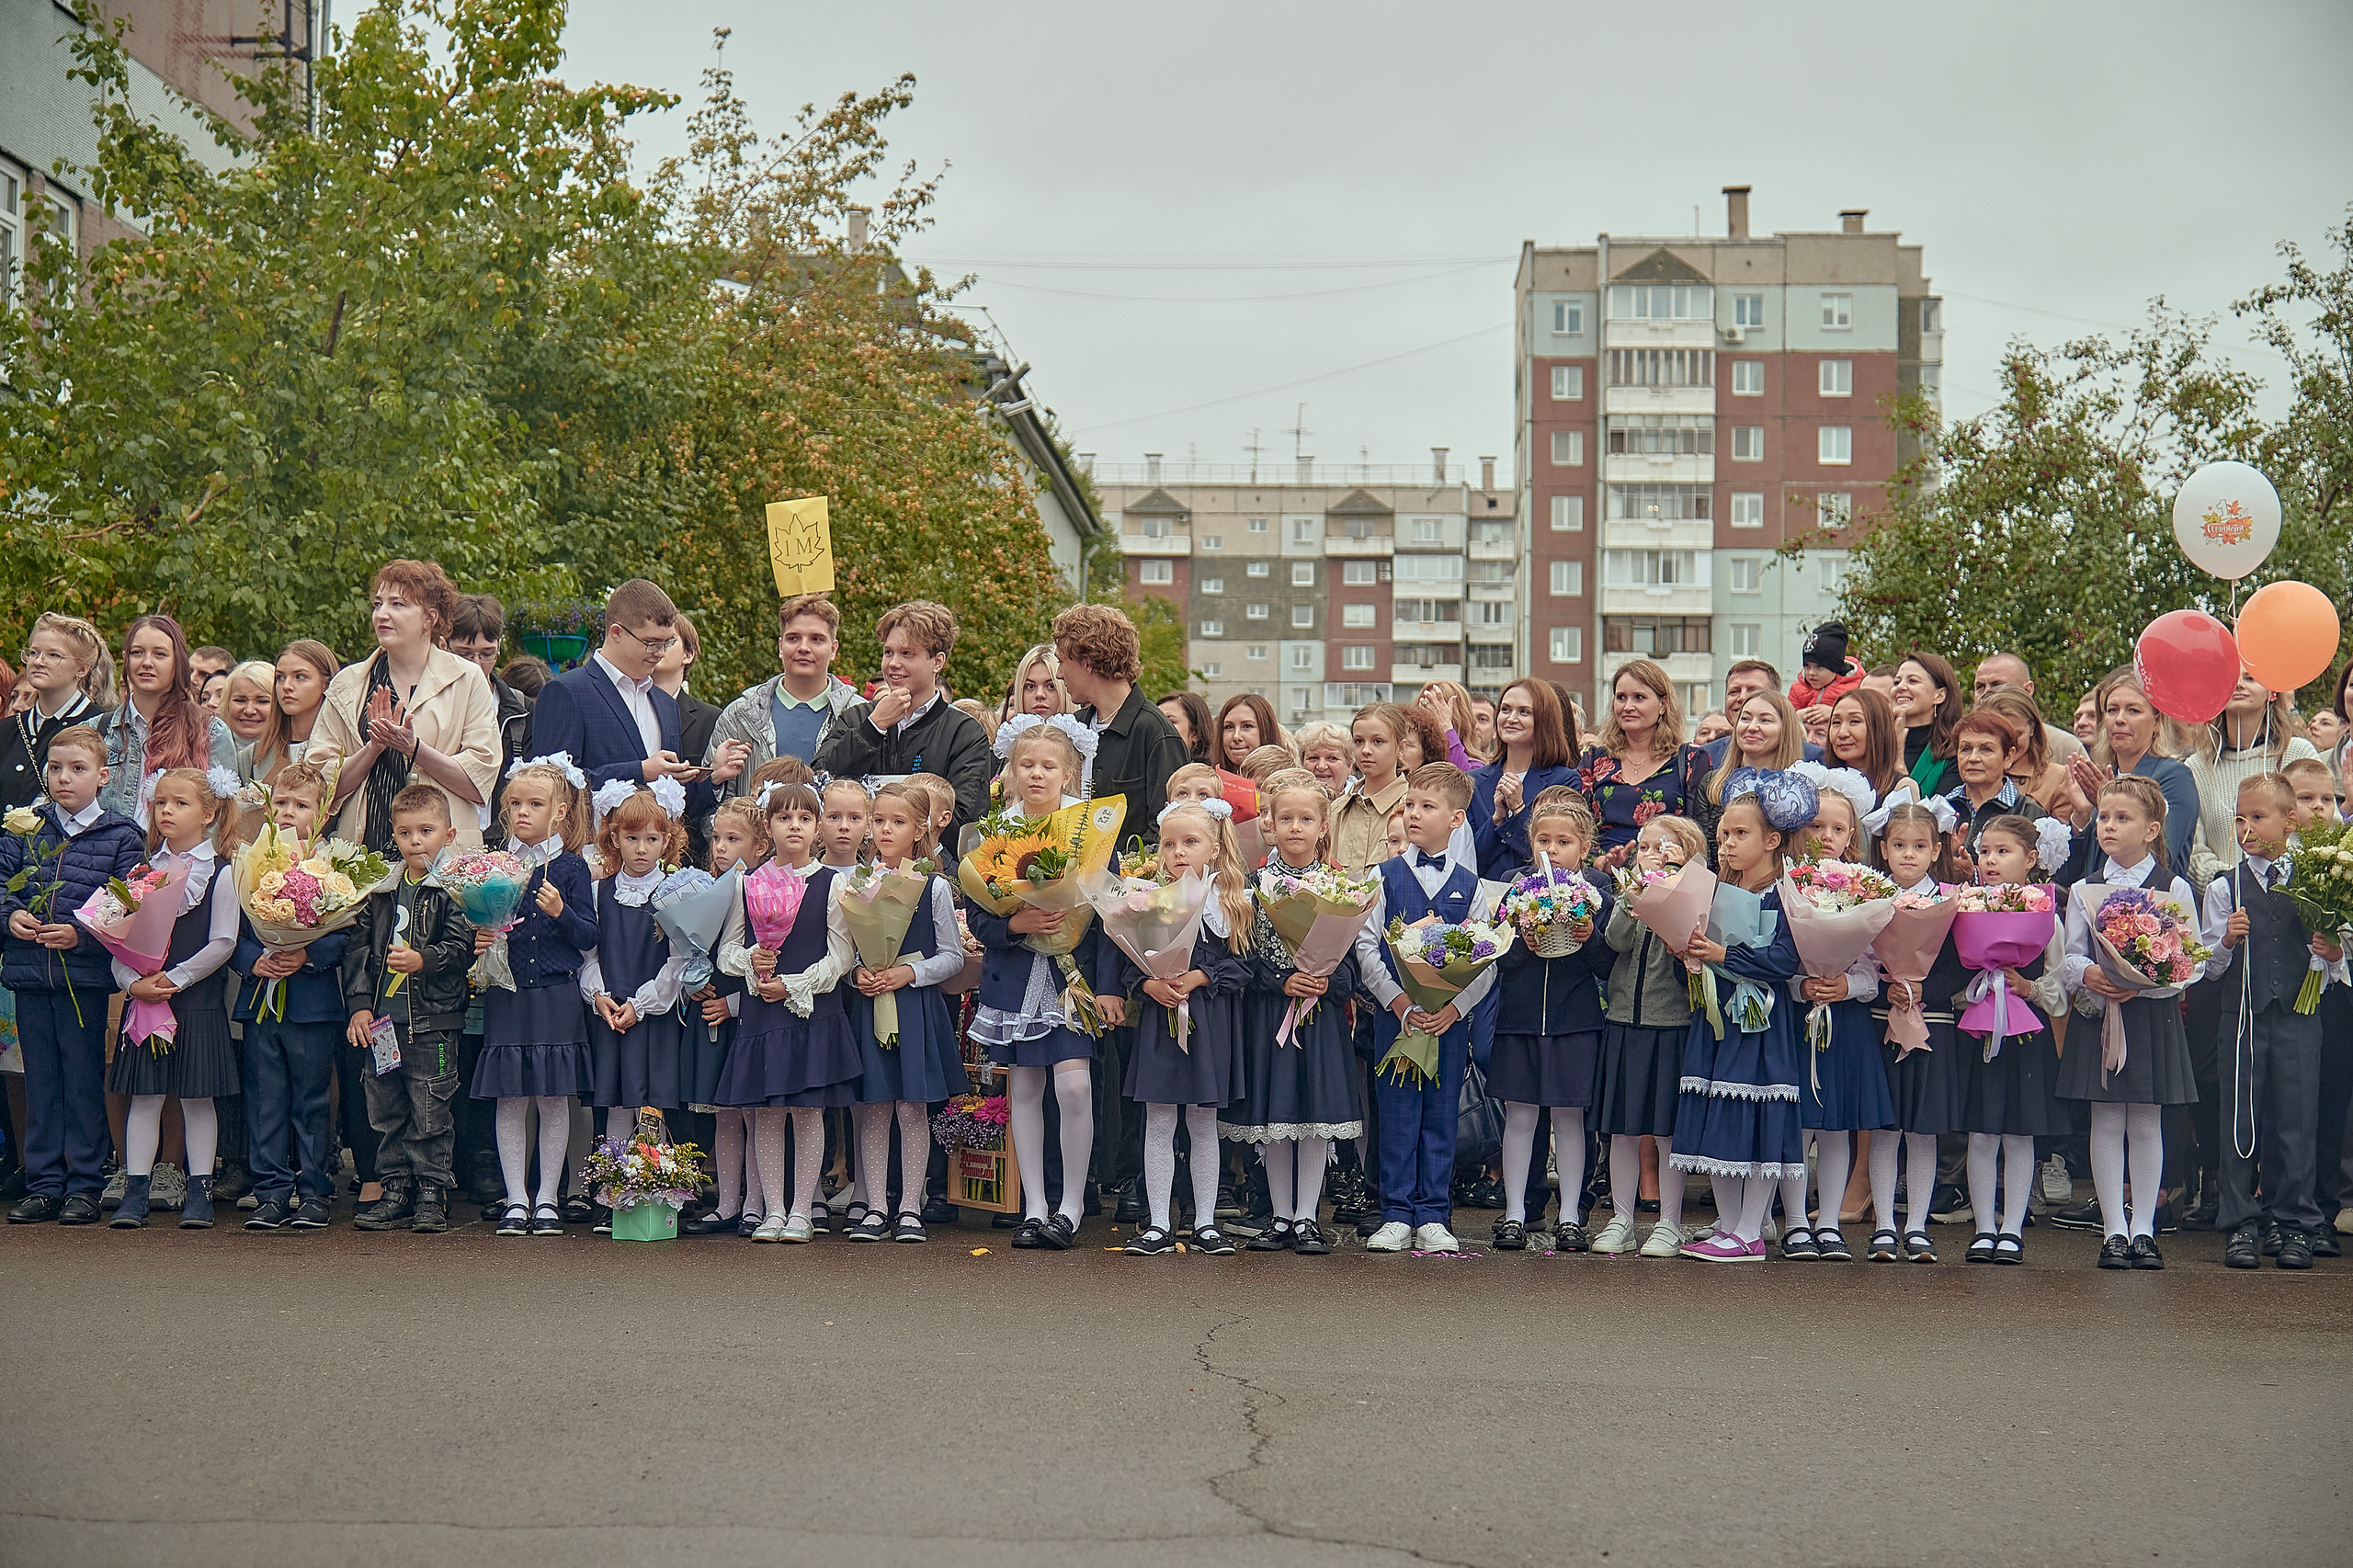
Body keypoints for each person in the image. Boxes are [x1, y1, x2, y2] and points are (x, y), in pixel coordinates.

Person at [1351, 763, 1497, 1255]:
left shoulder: (1472, 887)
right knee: (1395, 1115)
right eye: (1409, 804)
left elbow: (1486, 959)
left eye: (1427, 806)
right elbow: (1366, 947)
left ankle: (1434, 1213)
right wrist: (1396, 1001)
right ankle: (1395, 1212)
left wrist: (1453, 1009)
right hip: (1397, 1022)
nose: (1413, 813)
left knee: (1440, 1116)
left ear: (1457, 820)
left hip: (1446, 1024)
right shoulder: (1383, 876)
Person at [0, 727, 144, 1226]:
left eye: (78, 769)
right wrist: (10, 917)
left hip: (83, 980)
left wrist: (81, 937)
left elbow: (129, 902)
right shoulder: (24, 828)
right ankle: (43, 1183)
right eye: (56, 769)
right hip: (31, 977)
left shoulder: (122, 835)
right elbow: (3, 886)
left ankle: (84, 1182)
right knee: (40, 1080)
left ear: (103, 777)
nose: (65, 778)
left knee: (83, 1079)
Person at [967, 716, 1100, 1249]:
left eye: (1048, 766)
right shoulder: (997, 829)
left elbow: (1109, 912)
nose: (1037, 774)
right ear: (1012, 771)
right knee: (1023, 1086)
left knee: (1074, 1086)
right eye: (1027, 765)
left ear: (1068, 773)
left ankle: (1071, 1205)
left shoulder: (1088, 828)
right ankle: (1034, 1206)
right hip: (1017, 976)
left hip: (1070, 978)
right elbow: (979, 912)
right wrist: (1012, 925)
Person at [1665, 774, 1809, 1262]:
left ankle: (1751, 1231)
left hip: (1763, 1026)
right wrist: (1691, 954)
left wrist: (1725, 953)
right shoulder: (1713, 888)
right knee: (1719, 1115)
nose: (1727, 844)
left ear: (1772, 840)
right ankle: (1727, 1225)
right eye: (1723, 834)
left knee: (1758, 1117)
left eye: (1740, 835)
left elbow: (1787, 961)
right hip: (1717, 1020)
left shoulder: (1786, 893)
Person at [2060, 775, 2200, 1270]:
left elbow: (2192, 960)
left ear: (2151, 829)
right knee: (2105, 1117)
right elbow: (2068, 957)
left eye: (2123, 818)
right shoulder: (2083, 889)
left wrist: (2146, 982)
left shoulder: (2173, 885)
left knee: (2145, 1119)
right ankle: (2113, 1231)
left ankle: (2144, 1228)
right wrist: (2093, 974)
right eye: (2103, 817)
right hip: (2101, 1014)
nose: (2109, 827)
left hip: (2149, 1016)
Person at [1100, 799, 1252, 1257]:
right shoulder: (1145, 900)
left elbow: (1245, 965)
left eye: (1190, 842)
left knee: (1204, 1122)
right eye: (1169, 844)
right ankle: (1159, 1222)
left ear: (1215, 847)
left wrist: (1202, 976)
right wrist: (1149, 983)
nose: (1179, 852)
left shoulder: (1229, 903)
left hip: (1207, 1022)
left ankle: (1205, 1222)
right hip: (1161, 1025)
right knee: (1160, 1119)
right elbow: (1130, 962)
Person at [1224, 769, 1363, 1256]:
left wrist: (1326, 981)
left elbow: (1352, 962)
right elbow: (1240, 958)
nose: (1296, 827)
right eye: (1286, 818)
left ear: (1324, 825)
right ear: (1269, 823)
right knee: (1275, 1118)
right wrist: (1278, 980)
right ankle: (1281, 1217)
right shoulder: (1254, 886)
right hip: (1270, 1013)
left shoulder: (1339, 886)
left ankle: (1308, 1217)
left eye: (1306, 818)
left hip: (1319, 1017)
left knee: (1312, 1117)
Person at [714, 782, 861, 1241]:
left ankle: (802, 1209)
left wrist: (793, 985)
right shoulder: (748, 882)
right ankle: (773, 1210)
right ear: (769, 826)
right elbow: (726, 952)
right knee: (768, 1114)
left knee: (808, 1111)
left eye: (804, 818)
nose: (793, 826)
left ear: (817, 828)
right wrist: (751, 962)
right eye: (783, 817)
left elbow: (842, 957)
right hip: (763, 1016)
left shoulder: (834, 882)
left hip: (811, 1012)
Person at [2205, 774, 2340, 1270]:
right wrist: (2226, 940)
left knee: (2297, 1121)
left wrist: (2333, 952)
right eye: (2239, 818)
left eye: (2258, 818)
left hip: (2300, 1016)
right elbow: (2207, 968)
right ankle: (2241, 1221)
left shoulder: (2316, 880)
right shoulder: (2225, 886)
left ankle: (2295, 1223)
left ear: (2289, 822)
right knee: (2241, 1118)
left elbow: (2334, 963)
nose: (2246, 829)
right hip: (2242, 1016)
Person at [101, 767, 241, 1230]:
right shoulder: (142, 871)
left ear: (209, 813)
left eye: (180, 804)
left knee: (198, 1099)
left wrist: (175, 980)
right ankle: (135, 1189)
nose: (166, 811)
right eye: (160, 802)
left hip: (193, 1000)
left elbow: (223, 941)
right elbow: (116, 939)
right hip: (147, 1001)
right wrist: (130, 983)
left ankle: (199, 1190)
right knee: (145, 1096)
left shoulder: (220, 872)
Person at [471, 756, 597, 1238]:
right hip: (508, 994)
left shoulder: (570, 868)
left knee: (551, 1096)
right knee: (510, 1097)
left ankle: (548, 1197)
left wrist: (562, 911)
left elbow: (587, 936)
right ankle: (516, 1197)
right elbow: (478, 923)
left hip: (555, 994)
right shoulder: (495, 865)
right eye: (516, 804)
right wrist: (480, 936)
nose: (523, 812)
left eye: (536, 804)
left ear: (560, 811)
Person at [339, 781, 473, 1235]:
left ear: (448, 836)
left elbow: (462, 946)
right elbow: (357, 950)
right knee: (386, 1108)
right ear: (393, 837)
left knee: (430, 1108)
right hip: (382, 1024)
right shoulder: (381, 890)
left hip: (431, 1023)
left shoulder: (455, 890)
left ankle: (431, 1193)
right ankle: (394, 1190)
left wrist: (425, 959)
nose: (415, 841)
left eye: (426, 831)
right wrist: (359, 1006)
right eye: (405, 833)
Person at [229, 759, 352, 1233]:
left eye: (300, 805)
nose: (287, 812)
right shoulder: (248, 862)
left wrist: (308, 956)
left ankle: (315, 1189)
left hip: (311, 1004)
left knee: (311, 1100)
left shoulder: (332, 866)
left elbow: (346, 933)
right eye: (280, 802)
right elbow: (232, 931)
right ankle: (271, 1191)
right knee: (265, 1099)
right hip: (262, 998)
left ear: (321, 813)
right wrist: (251, 960)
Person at [1486, 794, 1611, 1252]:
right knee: (1519, 1116)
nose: (1552, 849)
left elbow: (1606, 963)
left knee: (1570, 1119)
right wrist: (1524, 937)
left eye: (1564, 841)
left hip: (1575, 1020)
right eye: (1544, 839)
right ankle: (1516, 1212)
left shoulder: (1598, 887)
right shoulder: (1513, 884)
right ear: (1530, 843)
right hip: (1519, 1019)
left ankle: (1572, 1215)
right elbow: (1500, 957)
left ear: (1584, 846)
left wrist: (1587, 936)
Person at [842, 780, 965, 1244]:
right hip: (871, 1004)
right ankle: (875, 1206)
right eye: (879, 821)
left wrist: (909, 975)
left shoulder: (932, 886)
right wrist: (858, 973)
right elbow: (844, 947)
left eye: (898, 822)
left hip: (914, 1007)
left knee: (913, 1107)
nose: (886, 829)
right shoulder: (854, 882)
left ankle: (910, 1205)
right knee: (874, 1108)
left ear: (919, 830)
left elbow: (952, 956)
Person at [529, 579, 747, 831]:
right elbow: (549, 790)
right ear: (616, 633)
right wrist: (640, 771)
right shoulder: (566, 691)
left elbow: (672, 804)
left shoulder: (665, 704)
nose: (661, 653)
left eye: (666, 643)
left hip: (657, 863)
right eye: (651, 642)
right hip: (590, 858)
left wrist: (715, 775)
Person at [313, 562, 502, 851]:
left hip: (444, 861)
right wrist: (373, 748)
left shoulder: (467, 678)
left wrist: (414, 748)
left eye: (398, 604)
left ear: (429, 617)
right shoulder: (348, 684)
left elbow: (479, 784)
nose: (382, 614)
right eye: (378, 604)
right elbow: (319, 787)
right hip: (362, 858)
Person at [1787, 784, 1894, 1264]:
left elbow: (1877, 964)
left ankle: (1827, 1222)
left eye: (1836, 828)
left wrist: (1847, 987)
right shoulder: (1787, 883)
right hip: (1796, 1019)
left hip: (1845, 1021)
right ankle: (1793, 1222)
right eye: (1816, 825)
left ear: (1852, 834)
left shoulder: (1865, 887)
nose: (1825, 836)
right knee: (1797, 1126)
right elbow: (1774, 953)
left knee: (1835, 1128)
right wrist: (1800, 985)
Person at [1958, 813, 2072, 1265]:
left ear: (2031, 859)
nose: (1990, 861)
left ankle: (2012, 1227)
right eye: (1984, 851)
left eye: (2002, 852)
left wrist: (2029, 988)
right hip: (1979, 1032)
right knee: (1982, 1131)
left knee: (2020, 1134)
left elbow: (2061, 990)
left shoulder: (2047, 917)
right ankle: (1984, 1226)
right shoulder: (1964, 908)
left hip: (2027, 1038)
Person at [1590, 814, 1704, 1257]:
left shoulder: (1694, 891)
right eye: (1643, 847)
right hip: (1623, 1018)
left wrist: (1676, 884)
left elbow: (1689, 953)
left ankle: (1669, 1223)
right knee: (1621, 1128)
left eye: (1662, 848)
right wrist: (1632, 897)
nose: (1649, 855)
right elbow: (1616, 941)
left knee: (1666, 1131)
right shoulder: (1631, 893)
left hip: (1670, 1024)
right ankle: (1621, 1218)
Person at [1868, 799, 1967, 1264]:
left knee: (1923, 1131)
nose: (1909, 854)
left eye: (1920, 846)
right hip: (1881, 1023)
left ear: (1935, 850)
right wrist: (1882, 990)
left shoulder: (1952, 900)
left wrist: (1927, 986)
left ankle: (1918, 1225)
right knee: (1886, 1129)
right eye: (1899, 845)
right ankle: (1885, 1224)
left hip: (1934, 1024)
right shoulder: (1866, 896)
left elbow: (1962, 967)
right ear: (1883, 849)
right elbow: (1854, 957)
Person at [583, 785, 694, 1199]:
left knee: (651, 1103)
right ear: (614, 838)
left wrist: (640, 1004)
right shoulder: (599, 892)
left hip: (652, 1016)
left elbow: (678, 964)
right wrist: (598, 997)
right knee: (614, 1102)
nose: (642, 848)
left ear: (667, 840)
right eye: (632, 838)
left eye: (652, 839)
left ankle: (654, 1190)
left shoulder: (674, 892)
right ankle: (613, 1191)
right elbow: (588, 954)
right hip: (611, 1013)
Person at [812, 600, 991, 844]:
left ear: (937, 661)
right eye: (888, 652)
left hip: (929, 872)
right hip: (855, 867)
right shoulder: (858, 718)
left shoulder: (965, 733)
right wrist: (873, 728)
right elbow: (820, 780)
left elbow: (965, 821)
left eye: (907, 653)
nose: (893, 663)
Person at [678, 796, 766, 1236]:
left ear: (760, 846)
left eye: (734, 839)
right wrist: (693, 982)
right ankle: (727, 1202)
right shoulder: (707, 887)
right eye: (716, 837)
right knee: (724, 1115)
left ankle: (754, 1203)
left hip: (744, 1014)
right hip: (709, 1011)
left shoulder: (762, 891)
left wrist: (732, 1006)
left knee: (751, 1113)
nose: (720, 847)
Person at [1051, 605, 1189, 849]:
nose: (1059, 674)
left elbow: (1167, 829)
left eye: (1062, 661)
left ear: (1088, 662)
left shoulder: (1157, 734)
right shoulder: (1072, 726)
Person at [708, 594, 865, 796]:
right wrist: (715, 780)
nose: (803, 648)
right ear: (781, 647)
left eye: (816, 639)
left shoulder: (859, 715)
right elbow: (712, 805)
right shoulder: (740, 714)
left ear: (833, 649)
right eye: (793, 638)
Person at [91, 615, 237, 825]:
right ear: (126, 658)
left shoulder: (211, 731)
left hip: (179, 856)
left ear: (177, 662)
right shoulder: (97, 730)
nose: (147, 662)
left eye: (159, 654)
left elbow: (221, 819)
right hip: (107, 855)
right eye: (137, 653)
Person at [2060, 666, 2200, 883]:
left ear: (2156, 721)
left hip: (2153, 909)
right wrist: (2081, 818)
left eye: (2133, 711)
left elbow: (2162, 857)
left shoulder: (2175, 777)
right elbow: (2070, 877)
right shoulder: (2104, 776)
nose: (2119, 719)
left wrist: (2109, 802)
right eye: (2112, 710)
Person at [2183, 673, 2320, 890]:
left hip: (2295, 898)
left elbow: (2320, 829)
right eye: (2229, 678)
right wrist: (2232, 883)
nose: (2238, 684)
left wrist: (2280, 879)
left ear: (2272, 692)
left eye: (2250, 679)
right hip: (2225, 903)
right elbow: (2192, 849)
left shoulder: (2298, 752)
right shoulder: (2196, 767)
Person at [1577, 658, 1692, 863]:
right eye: (1621, 697)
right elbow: (1576, 825)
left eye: (1639, 698)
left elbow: (1698, 834)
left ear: (1663, 705)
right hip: (1601, 877)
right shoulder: (1593, 757)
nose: (1628, 706)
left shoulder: (1690, 759)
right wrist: (1599, 861)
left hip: (1664, 878)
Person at [1468, 678, 1578, 878]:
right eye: (1505, 709)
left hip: (1539, 900)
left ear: (1544, 721)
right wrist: (1497, 819)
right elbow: (1469, 858)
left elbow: (1558, 856)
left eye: (1524, 712)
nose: (1511, 718)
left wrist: (1519, 810)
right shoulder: (1473, 781)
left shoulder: (1564, 781)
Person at [0, 614, 109, 808]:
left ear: (83, 668)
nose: (38, 662)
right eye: (33, 653)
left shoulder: (102, 727)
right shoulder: (8, 729)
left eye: (53, 655)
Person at [1691, 689, 1806, 860]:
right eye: (1745, 719)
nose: (1752, 727)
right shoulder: (1712, 783)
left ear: (1785, 729)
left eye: (1765, 720)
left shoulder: (1799, 788)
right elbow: (1703, 851)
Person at [447, 595, 534, 818]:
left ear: (499, 647)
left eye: (487, 654)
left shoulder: (521, 709)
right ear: (443, 646)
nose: (476, 664)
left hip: (503, 836)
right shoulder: (431, 705)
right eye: (464, 654)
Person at [1943, 709, 2049, 865]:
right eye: (1966, 749)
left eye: (1986, 749)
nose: (1973, 758)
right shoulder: (1941, 808)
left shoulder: (2029, 814)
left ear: (2008, 757)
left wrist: (1976, 876)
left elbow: (2037, 877)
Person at [1330, 705, 1411, 877]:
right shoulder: (1336, 809)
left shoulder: (1412, 808)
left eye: (1378, 741)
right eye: (1359, 741)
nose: (1366, 750)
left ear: (1401, 747)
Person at [1971, 651, 2088, 765]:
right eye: (1980, 687)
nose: (1986, 694)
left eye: (1997, 685)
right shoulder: (1965, 746)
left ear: (2028, 690)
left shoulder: (2064, 747)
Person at [250, 640, 338, 784]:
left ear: (326, 685)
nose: (286, 686)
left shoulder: (341, 750)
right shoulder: (254, 754)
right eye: (280, 677)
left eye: (300, 677)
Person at [1976, 687, 2072, 812]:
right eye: (1995, 735)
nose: (2008, 744)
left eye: (2017, 735)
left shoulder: (2058, 779)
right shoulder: (1967, 770)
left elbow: (2065, 830)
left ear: (2032, 728)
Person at [1890, 652, 1964, 798]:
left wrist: (1898, 764)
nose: (1901, 687)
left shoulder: (1955, 753)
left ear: (1939, 695)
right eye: (1897, 682)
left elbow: (1938, 817)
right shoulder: (1875, 744)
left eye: (1912, 681)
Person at [1788, 622, 1865, 712]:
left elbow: (1864, 717)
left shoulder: (1856, 688)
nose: (1811, 672)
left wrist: (1834, 714)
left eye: (1819, 666)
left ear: (1835, 666)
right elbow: (1786, 721)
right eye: (1807, 666)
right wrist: (1798, 717)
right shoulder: (1798, 689)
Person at [1417, 679, 1486, 767]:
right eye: (1426, 705)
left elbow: (1463, 776)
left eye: (1438, 708)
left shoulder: (1476, 766)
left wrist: (1446, 726)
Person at [999, 643, 1071, 724]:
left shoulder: (1085, 734)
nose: (1039, 694)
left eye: (1051, 686)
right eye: (1031, 686)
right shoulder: (1006, 736)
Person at [1214, 693, 1282, 776]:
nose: (1236, 736)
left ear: (1266, 731)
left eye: (1247, 726)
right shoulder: (1207, 784)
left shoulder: (1289, 785)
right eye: (1229, 727)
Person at [218, 662, 277, 753]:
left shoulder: (293, 755)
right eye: (240, 700)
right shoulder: (204, 751)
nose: (249, 711)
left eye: (262, 701)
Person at [1293, 721, 1353, 796]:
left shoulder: (1362, 804)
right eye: (1313, 758)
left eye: (1332, 758)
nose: (1321, 766)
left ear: (1349, 766)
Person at [1158, 690, 1213, 767]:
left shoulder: (1208, 777)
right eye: (1156, 722)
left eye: (1170, 722)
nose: (1159, 728)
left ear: (1195, 734)